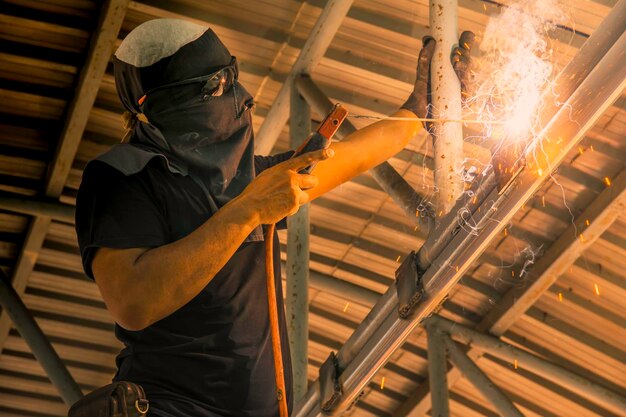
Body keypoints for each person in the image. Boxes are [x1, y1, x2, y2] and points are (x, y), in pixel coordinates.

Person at [75, 18, 473, 417]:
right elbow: (133, 301)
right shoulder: (120, 178)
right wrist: (248, 211)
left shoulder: (249, 180)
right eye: (215, 86)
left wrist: (419, 110)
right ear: (161, 105)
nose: (243, 98)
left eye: (233, 77)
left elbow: (353, 155)